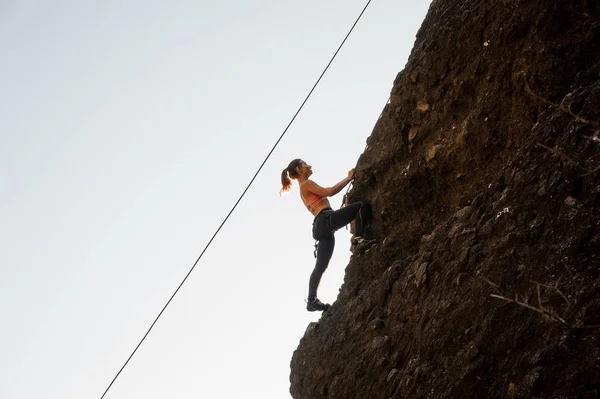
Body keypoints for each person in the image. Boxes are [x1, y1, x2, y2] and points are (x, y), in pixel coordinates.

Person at [280, 159, 374, 312]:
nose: (309, 166)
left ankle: (311, 300)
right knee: (361, 207)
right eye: (305, 164)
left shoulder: (302, 189)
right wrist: (349, 178)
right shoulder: (306, 184)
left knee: (321, 266)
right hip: (325, 220)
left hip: (321, 226)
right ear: (299, 170)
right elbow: (329, 192)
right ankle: (358, 239)